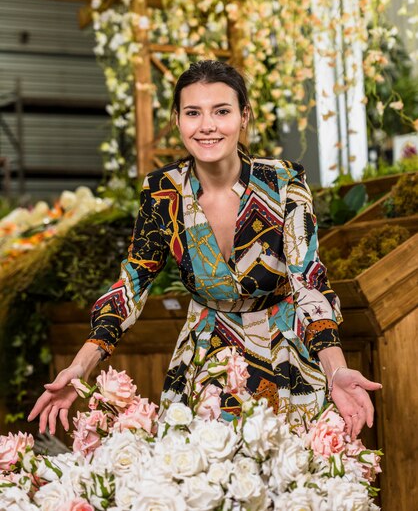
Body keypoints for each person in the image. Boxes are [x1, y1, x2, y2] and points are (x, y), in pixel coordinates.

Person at [28, 60, 381, 439]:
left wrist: (337, 369)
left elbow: (307, 279)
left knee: (292, 478)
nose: (207, 126)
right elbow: (133, 282)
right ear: (178, 119)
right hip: (207, 353)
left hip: (287, 351)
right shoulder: (163, 191)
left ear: (244, 116)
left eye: (222, 111)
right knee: (202, 476)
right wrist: (80, 367)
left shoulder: (284, 183)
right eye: (193, 112)